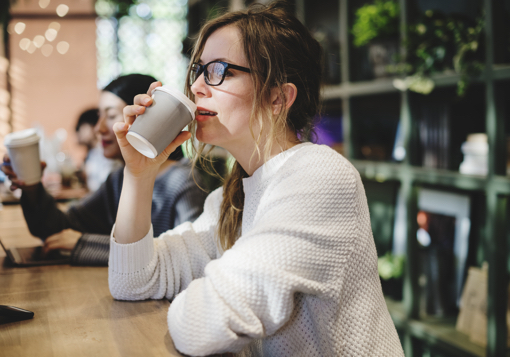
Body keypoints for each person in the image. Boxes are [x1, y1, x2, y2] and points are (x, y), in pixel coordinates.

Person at [108, 2, 404, 356]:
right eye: (199, 70)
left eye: (220, 71)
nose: (198, 86)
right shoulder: (229, 200)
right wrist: (139, 173)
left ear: (278, 98)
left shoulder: (320, 177)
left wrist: (205, 292)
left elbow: (201, 327)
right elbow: (133, 280)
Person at [2, 74, 207, 266]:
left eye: (110, 116)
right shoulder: (119, 179)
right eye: (99, 116)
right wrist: (31, 186)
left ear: (142, 117)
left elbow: (187, 259)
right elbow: (59, 230)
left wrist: (85, 244)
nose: (98, 128)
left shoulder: (185, 182)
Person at [75, 108, 122, 192]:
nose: (77, 134)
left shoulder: (107, 152)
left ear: (91, 126)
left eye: (79, 128)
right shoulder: (91, 153)